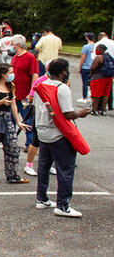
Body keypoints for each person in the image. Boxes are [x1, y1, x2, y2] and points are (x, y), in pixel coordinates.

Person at [34, 58, 91, 218]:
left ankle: (42, 198)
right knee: (65, 169)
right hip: (58, 133)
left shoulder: (40, 86)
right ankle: (63, 205)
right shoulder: (62, 88)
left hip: (43, 131)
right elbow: (67, 113)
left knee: (44, 167)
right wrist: (81, 113)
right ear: (63, 72)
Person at [0, 64, 31, 185]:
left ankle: (13, 175)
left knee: (13, 147)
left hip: (7, 119)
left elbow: (13, 104)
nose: (12, 75)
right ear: (3, 74)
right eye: (10, 72)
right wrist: (1, 102)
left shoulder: (10, 86)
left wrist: (18, 121)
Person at [89, 43, 113, 115]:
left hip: (98, 78)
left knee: (96, 94)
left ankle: (94, 110)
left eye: (97, 49)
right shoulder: (109, 56)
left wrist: (90, 75)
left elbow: (93, 67)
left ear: (100, 50)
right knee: (105, 94)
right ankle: (103, 110)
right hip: (109, 77)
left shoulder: (98, 57)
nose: (96, 50)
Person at [77, 33, 96, 104]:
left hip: (86, 66)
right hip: (93, 66)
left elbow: (83, 58)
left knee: (84, 83)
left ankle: (84, 97)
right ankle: (92, 96)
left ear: (87, 38)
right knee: (92, 83)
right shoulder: (96, 46)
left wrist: (80, 67)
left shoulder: (86, 47)